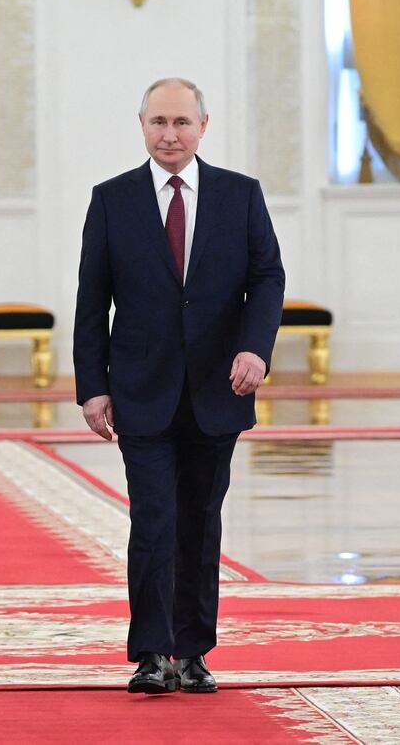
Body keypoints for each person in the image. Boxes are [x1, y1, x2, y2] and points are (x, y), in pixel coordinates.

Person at [74, 77, 285, 694]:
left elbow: (268, 277)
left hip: (218, 389)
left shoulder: (239, 195)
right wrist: (93, 386)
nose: (170, 134)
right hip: (140, 389)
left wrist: (256, 348)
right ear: (141, 125)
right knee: (155, 518)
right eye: (158, 122)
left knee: (200, 518)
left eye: (181, 123)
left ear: (203, 126)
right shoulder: (111, 199)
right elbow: (93, 301)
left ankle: (192, 652)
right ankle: (151, 653)